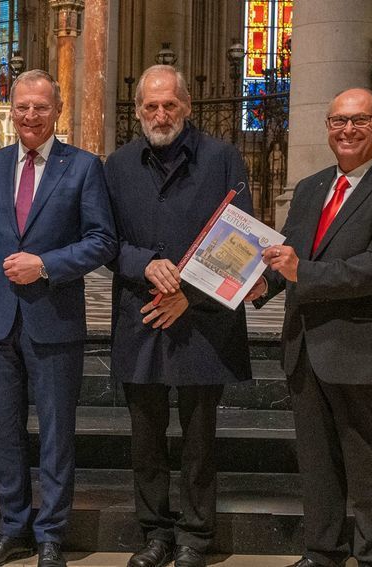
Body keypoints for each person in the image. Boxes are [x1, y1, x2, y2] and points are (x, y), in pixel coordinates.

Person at [254, 88, 372, 567]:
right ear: (328, 127)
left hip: (364, 349)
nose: (347, 130)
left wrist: (298, 273)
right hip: (307, 346)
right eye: (338, 121)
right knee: (317, 465)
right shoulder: (312, 187)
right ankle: (322, 553)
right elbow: (286, 254)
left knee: (370, 467)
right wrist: (259, 287)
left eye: (359, 121)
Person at [0, 69, 117, 567]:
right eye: (22, 106)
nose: (30, 116)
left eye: (41, 107)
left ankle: (50, 534)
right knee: (3, 431)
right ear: (10, 109)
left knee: (55, 433)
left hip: (55, 319)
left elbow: (101, 240)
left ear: (58, 111)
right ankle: (12, 529)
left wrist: (45, 264)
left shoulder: (85, 166)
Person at [104, 65, 253, 567]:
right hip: (142, 310)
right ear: (139, 110)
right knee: (145, 438)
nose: (161, 114)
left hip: (203, 321)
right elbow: (105, 242)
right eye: (151, 106)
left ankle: (195, 535)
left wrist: (190, 292)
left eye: (170, 105)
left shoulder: (222, 157)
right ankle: (154, 533)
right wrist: (142, 262)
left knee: (199, 440)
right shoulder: (118, 164)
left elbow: (241, 239)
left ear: (188, 106)